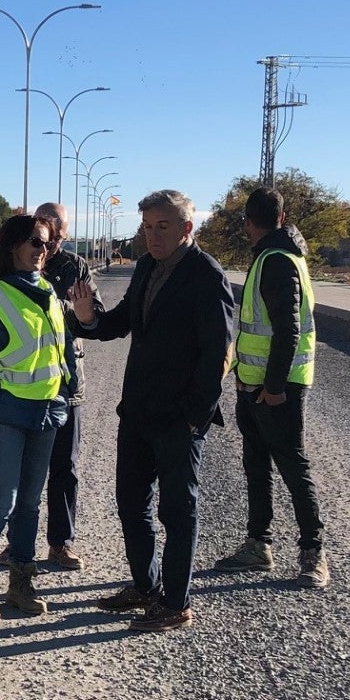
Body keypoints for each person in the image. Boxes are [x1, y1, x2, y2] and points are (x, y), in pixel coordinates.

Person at [70, 190, 237, 632]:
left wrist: (193, 417)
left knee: (178, 512)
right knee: (131, 503)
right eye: (147, 227)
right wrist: (88, 318)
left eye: (162, 226)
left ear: (187, 228)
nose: (152, 235)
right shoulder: (146, 266)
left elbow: (217, 353)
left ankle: (175, 602)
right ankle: (146, 587)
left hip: (178, 418)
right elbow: (123, 321)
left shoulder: (206, 275)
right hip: (138, 411)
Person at [0, 211, 73, 620]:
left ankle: (21, 583)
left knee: (29, 504)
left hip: (47, 411)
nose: (45, 251)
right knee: (1, 501)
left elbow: (61, 347)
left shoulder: (48, 290)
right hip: (6, 414)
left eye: (48, 243)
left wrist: (67, 391)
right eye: (37, 243)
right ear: (13, 245)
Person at [215, 187, 330, 588]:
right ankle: (258, 545)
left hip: (276, 388)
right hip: (254, 383)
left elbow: (288, 329)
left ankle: (313, 553)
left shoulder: (277, 260)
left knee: (292, 466)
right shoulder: (276, 255)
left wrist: (276, 386)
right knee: (257, 464)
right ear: (281, 217)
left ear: (249, 222)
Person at [35, 201, 92, 570]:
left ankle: (60, 543)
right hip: (22, 382)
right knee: (22, 470)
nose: (54, 231)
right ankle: (17, 542)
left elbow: (91, 317)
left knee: (64, 467)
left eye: (60, 225)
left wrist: (69, 310)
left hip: (67, 381)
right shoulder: (20, 259)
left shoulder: (75, 267)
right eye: (46, 223)